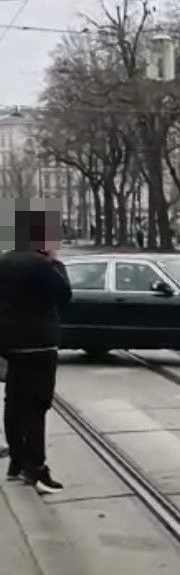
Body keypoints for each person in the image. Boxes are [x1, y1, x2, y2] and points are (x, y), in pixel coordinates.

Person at [0, 207, 72, 494]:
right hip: (40, 344)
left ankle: (17, 460)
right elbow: (65, 295)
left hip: (9, 344)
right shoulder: (42, 265)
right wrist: (55, 262)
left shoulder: (3, 262)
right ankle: (38, 467)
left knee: (14, 402)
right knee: (37, 405)